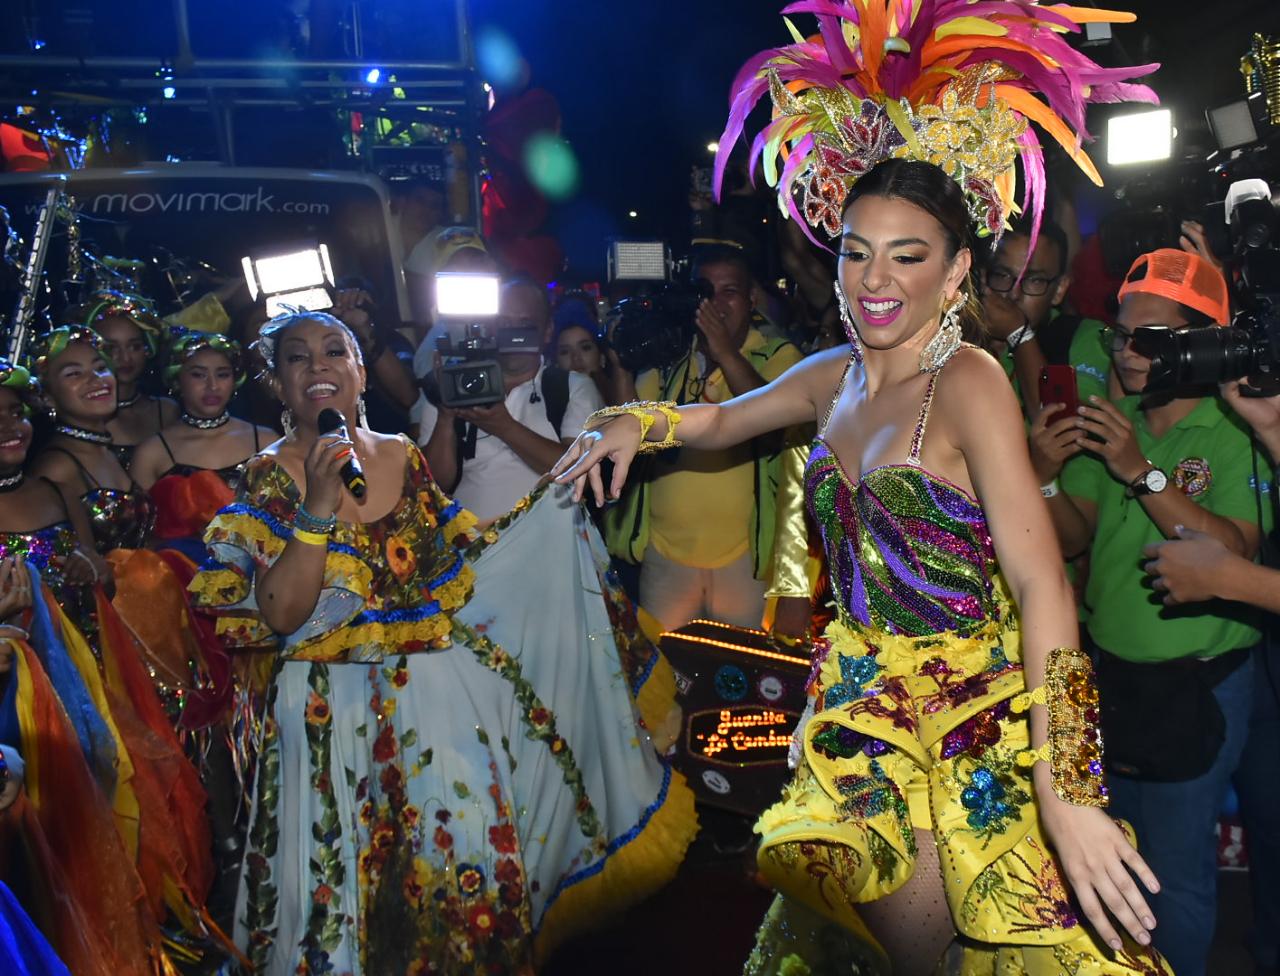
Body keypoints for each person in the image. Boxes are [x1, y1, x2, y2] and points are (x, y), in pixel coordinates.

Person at [554, 1, 1169, 971]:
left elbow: (1042, 581)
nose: (874, 279)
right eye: (855, 251)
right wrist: (640, 419)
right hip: (854, 704)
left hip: (960, 721)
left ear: (955, 273)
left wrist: (1066, 789)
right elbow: (720, 420)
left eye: (907, 255)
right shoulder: (830, 374)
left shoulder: (966, 381)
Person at [189, 310, 695, 974]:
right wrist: (317, 505)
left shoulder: (402, 454)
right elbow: (282, 613)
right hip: (327, 715)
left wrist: (543, 519)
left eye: (334, 351)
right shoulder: (266, 476)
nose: (318, 367)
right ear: (278, 385)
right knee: (344, 884)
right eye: (297, 357)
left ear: (361, 371)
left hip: (436, 702)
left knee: (463, 859)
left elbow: (463, 562)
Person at [1034, 248, 1269, 976]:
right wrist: (1042, 477)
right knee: (1105, 860)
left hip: (1197, 683)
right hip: (1102, 672)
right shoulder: (1116, 420)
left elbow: (1232, 551)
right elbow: (1072, 538)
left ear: (1201, 344)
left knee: (1173, 873)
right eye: (1120, 335)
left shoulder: (1241, 427)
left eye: (1149, 340)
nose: (1126, 353)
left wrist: (1139, 469)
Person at [605, 245, 804, 632]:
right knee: (665, 664)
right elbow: (629, 427)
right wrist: (621, 366)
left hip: (742, 556)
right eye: (705, 291)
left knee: (738, 664)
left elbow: (772, 419)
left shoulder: (778, 356)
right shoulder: (672, 359)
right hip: (665, 552)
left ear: (752, 300)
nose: (715, 303)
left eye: (730, 291)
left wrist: (725, 352)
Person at [416, 277, 604, 522]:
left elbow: (579, 470)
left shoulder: (571, 387)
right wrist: (445, 416)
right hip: (474, 541)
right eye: (504, 323)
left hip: (549, 540)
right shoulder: (456, 384)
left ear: (547, 331)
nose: (514, 333)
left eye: (525, 324)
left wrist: (504, 427)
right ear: (491, 328)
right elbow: (433, 484)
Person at [131, 331, 276, 560]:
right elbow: (140, 542)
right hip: (185, 574)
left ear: (235, 379)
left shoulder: (266, 441)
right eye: (198, 375)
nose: (212, 386)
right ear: (177, 378)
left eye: (222, 374)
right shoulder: (152, 453)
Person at [82, 291, 180, 468]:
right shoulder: (82, 416)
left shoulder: (166, 410)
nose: (125, 358)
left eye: (134, 346)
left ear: (148, 349)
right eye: (112, 348)